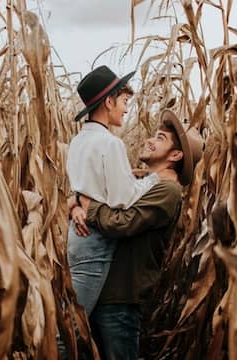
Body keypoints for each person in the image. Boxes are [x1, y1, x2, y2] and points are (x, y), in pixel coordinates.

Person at [71, 109, 203, 360]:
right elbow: (87, 193)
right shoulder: (140, 183)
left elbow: (122, 223)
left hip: (121, 297)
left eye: (160, 138)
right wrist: (75, 202)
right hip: (106, 293)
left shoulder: (167, 192)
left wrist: (87, 207)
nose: (148, 139)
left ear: (175, 156)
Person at [67, 65, 170, 317]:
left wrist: (75, 204)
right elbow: (124, 199)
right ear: (109, 102)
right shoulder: (110, 143)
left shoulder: (77, 141)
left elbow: (80, 187)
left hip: (76, 235)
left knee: (74, 314)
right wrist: (155, 179)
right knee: (75, 323)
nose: (126, 109)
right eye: (124, 101)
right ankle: (48, 358)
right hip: (95, 240)